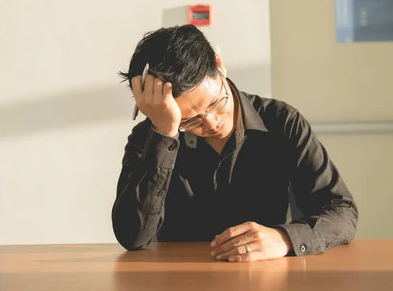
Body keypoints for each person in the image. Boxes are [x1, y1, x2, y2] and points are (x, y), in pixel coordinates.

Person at [112, 24, 358, 262]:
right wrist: (165, 134)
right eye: (190, 120)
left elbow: (342, 212)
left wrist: (284, 238)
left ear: (219, 66)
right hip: (184, 279)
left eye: (216, 103)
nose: (210, 123)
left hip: (267, 277)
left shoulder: (281, 122)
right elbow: (132, 237)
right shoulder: (150, 137)